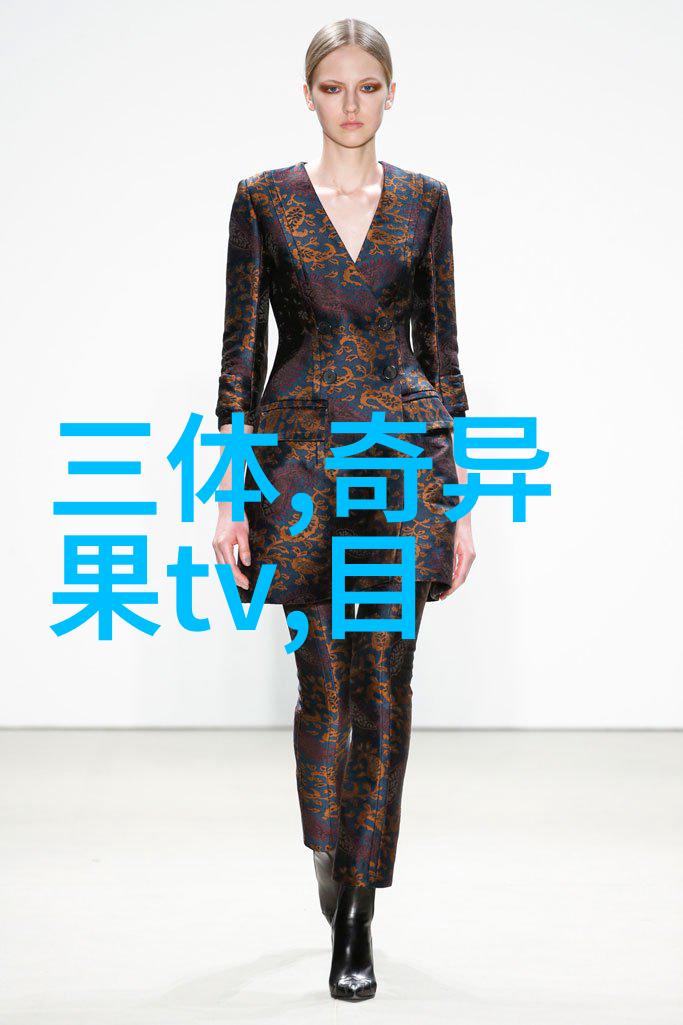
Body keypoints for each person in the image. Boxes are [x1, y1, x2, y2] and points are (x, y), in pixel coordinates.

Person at [212, 17, 476, 1002]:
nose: (351, 104)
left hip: (402, 467)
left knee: (386, 686)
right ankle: (331, 852)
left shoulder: (423, 202)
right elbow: (240, 355)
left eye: (368, 86)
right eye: (334, 87)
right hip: (296, 471)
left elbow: (440, 352)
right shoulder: (263, 201)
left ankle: (358, 909)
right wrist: (227, 493)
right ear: (309, 94)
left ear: (390, 93)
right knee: (322, 682)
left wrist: (462, 500)